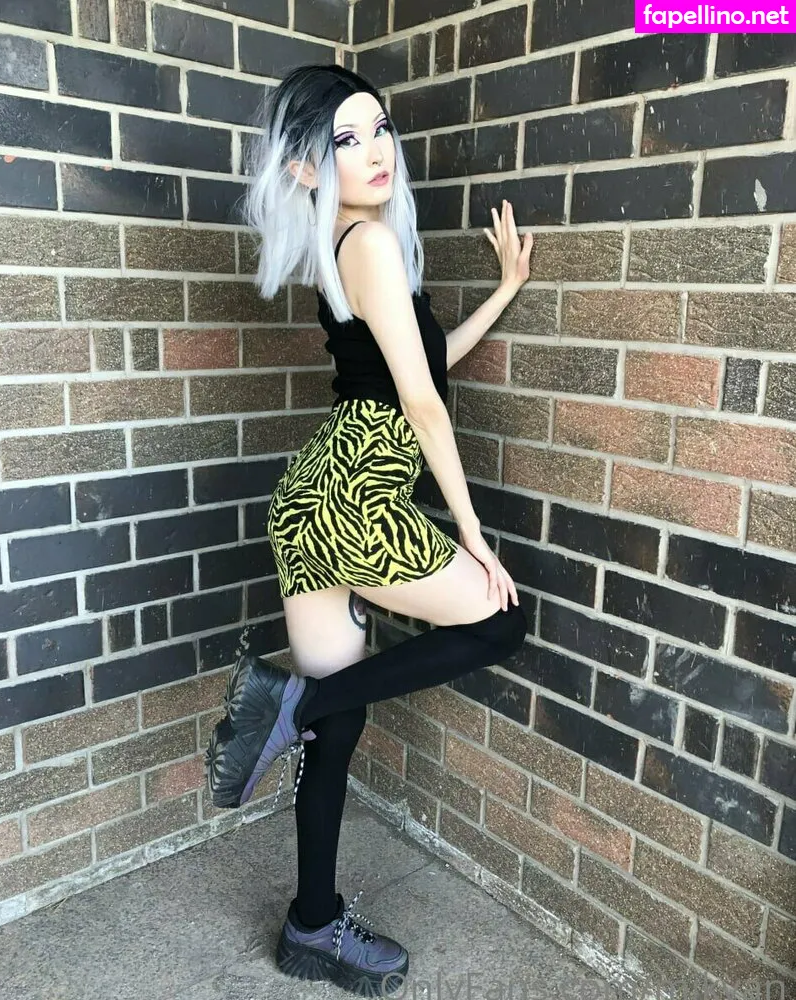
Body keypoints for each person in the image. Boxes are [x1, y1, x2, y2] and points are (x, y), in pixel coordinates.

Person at [205, 63, 534, 997]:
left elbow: (419, 365)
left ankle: (311, 926)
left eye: (378, 128)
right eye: (344, 140)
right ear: (307, 167)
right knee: (500, 621)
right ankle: (295, 707)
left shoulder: (351, 240)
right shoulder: (371, 243)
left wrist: (504, 291)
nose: (375, 150)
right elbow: (423, 404)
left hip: (313, 500)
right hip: (351, 500)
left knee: (337, 721)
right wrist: (472, 532)